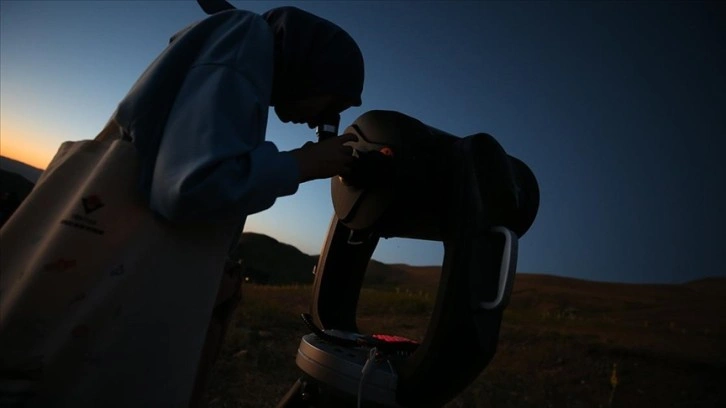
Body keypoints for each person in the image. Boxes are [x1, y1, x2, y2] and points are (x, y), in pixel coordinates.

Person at [1, 6, 364, 408]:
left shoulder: (242, 57)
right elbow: (191, 186)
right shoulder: (246, 35)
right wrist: (303, 164)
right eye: (336, 100)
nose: (330, 116)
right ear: (319, 68)